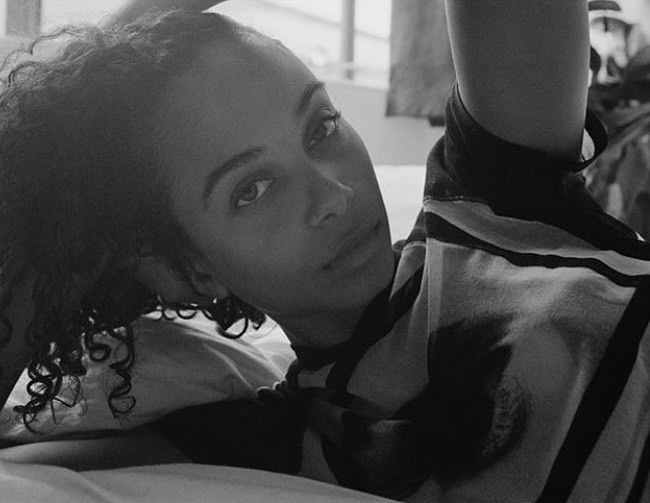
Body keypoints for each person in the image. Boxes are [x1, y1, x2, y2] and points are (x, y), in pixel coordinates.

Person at [0, 1, 648, 502]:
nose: (334, 195)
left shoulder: (497, 200)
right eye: (252, 189)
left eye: (322, 126)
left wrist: (127, 43)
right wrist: (67, 139)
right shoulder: (265, 447)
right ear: (187, 271)